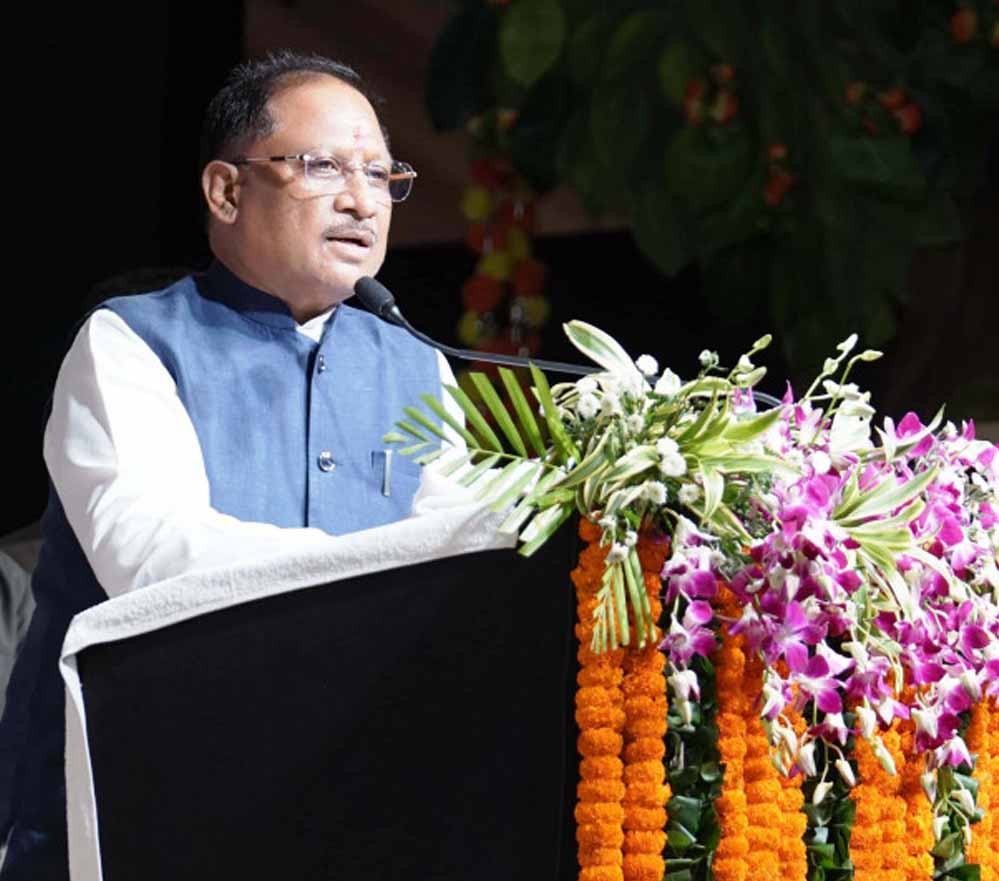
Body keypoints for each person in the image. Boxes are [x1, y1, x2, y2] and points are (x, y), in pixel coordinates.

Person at [0, 51, 465, 879]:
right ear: (225, 191)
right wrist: (370, 574)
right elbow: (155, 556)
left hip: (352, 803)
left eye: (379, 174)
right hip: (145, 802)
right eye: (323, 166)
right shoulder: (130, 341)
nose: (362, 199)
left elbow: (458, 565)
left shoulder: (416, 364)